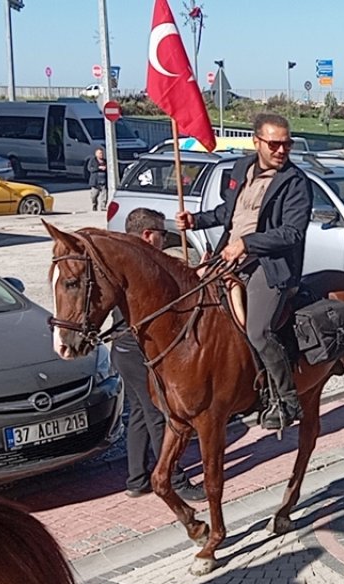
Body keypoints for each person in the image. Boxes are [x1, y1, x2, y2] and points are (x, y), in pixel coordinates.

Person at [177, 113, 312, 431]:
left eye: (286, 144)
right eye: (275, 144)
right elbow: (230, 212)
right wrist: (195, 220)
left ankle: (286, 399)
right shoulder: (241, 169)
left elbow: (292, 232)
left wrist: (247, 244)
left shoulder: (295, 182)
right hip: (228, 259)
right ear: (257, 142)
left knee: (257, 331)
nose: (282, 150)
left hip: (271, 265)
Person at [114, 208, 205, 502]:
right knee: (160, 413)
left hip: (122, 349)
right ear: (147, 236)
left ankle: (136, 478)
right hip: (138, 349)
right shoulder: (139, 265)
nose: (164, 243)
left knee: (139, 413)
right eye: (163, 236)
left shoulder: (123, 260)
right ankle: (174, 479)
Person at [86, 148, 108, 212]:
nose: (101, 154)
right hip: (95, 181)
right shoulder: (92, 161)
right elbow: (90, 169)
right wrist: (98, 168)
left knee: (104, 194)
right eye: (99, 153)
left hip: (103, 181)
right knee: (94, 195)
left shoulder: (105, 161)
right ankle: (94, 204)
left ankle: (103, 206)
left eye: (102, 153)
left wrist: (105, 168)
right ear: (96, 154)